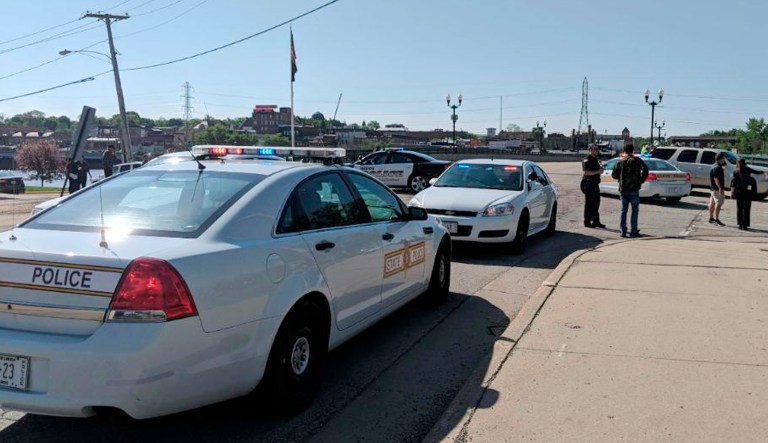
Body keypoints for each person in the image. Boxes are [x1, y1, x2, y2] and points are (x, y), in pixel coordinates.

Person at [611, 144, 649, 238]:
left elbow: (614, 175)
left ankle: (623, 231)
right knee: (634, 211)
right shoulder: (637, 160)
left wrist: (621, 177)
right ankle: (634, 231)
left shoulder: (620, 161)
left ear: (624, 150)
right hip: (634, 189)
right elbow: (646, 170)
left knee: (624, 210)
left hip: (623, 189)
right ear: (633, 150)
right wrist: (641, 180)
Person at [730, 159, 768, 230]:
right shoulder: (748, 169)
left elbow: (733, 183)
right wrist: (764, 172)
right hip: (747, 192)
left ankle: (740, 224)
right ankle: (745, 225)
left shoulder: (735, 172)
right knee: (747, 208)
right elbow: (757, 172)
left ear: (738, 164)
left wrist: (732, 192)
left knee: (739, 208)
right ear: (745, 163)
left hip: (739, 192)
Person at [581, 144, 605, 228]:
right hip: (589, 183)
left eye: (597, 149)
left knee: (596, 203)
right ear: (590, 149)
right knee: (589, 203)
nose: (596, 150)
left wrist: (601, 169)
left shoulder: (596, 159)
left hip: (595, 184)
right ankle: (587, 222)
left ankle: (596, 221)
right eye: (595, 149)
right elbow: (585, 172)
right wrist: (598, 171)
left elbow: (598, 169)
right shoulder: (586, 159)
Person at [708, 153, 727, 226]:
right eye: (723, 158)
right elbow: (716, 179)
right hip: (716, 188)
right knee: (718, 203)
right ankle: (717, 219)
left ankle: (711, 218)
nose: (724, 160)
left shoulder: (714, 165)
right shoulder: (717, 168)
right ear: (720, 159)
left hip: (712, 188)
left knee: (712, 203)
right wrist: (720, 188)